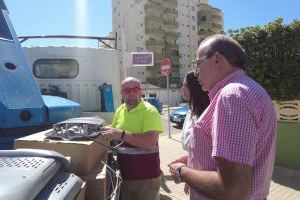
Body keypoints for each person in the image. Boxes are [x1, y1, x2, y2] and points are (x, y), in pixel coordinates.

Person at [168, 34, 277, 200]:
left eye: (198, 63)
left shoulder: (231, 95)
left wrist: (182, 172)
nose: (196, 72)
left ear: (217, 60)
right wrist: (195, 158)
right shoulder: (250, 89)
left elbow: (232, 191)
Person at [100, 77, 163, 200]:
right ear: (121, 93)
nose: (132, 93)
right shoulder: (120, 110)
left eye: (136, 89)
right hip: (124, 175)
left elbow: (150, 142)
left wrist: (121, 134)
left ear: (140, 91)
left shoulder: (150, 111)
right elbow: (114, 133)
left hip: (146, 178)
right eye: (128, 90)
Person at [181, 71, 210, 151]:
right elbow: (188, 146)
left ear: (195, 87)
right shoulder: (190, 113)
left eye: (186, 85)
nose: (182, 89)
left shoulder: (208, 114)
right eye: (182, 85)